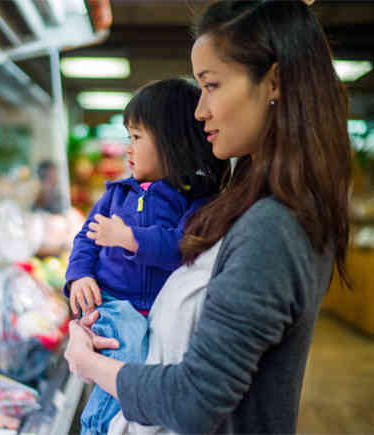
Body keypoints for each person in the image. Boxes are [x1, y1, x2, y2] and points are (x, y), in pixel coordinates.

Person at [64, 1, 352, 434]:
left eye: (211, 85)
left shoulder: (272, 228)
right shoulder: (241, 201)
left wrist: (91, 364)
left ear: (273, 81)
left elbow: (194, 402)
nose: (200, 111)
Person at [64, 78, 229, 434]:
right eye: (128, 137)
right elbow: (85, 240)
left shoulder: (195, 201)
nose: (128, 148)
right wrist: (80, 276)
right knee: (129, 359)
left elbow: (179, 246)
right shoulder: (115, 195)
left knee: (134, 366)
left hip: (155, 312)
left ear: (172, 142)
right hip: (111, 303)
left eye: (137, 137)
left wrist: (129, 238)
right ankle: (96, 425)